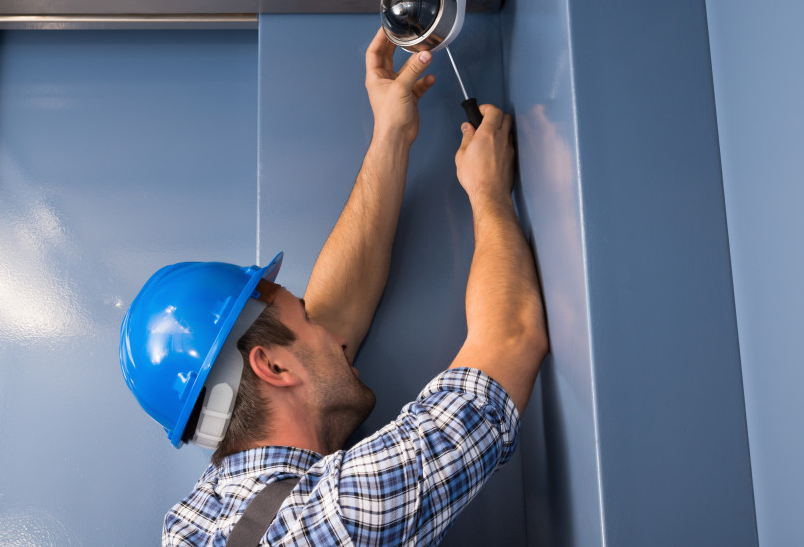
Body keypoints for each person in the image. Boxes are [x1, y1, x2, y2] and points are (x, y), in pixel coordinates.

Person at [120, 28, 548, 546]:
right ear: (272, 367)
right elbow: (510, 342)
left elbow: (331, 320)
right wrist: (488, 190)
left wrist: (392, 131)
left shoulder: (201, 518)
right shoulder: (341, 516)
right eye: (307, 317)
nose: (335, 335)